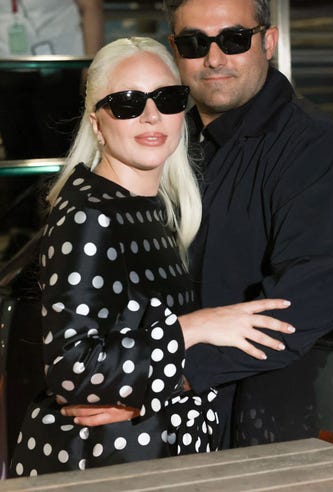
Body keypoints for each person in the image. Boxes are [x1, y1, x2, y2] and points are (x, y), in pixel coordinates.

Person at [62, 0, 333, 451]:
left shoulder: (315, 147)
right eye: (195, 43)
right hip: (150, 423)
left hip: (253, 426)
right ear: (177, 51)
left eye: (235, 39)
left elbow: (304, 304)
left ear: (268, 42)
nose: (215, 58)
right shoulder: (166, 139)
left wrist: (159, 383)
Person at [9, 36, 294, 477]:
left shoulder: (151, 206)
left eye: (167, 97)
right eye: (126, 102)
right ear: (97, 123)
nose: (150, 115)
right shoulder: (90, 213)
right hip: (106, 465)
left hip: (151, 457)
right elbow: (72, 369)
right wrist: (198, 326)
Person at [0, 0, 104, 256]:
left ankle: (65, 233)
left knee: (61, 154)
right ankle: (23, 239)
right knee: (18, 156)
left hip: (59, 66)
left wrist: (90, 67)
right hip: (8, 67)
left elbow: (91, 2)